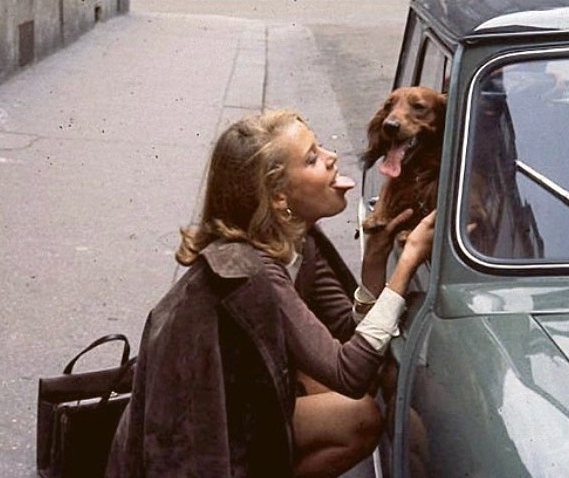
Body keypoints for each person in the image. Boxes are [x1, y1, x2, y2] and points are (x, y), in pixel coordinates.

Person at [105, 110, 436, 478]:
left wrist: (375, 262)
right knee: (359, 412)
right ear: (280, 199)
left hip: (251, 400)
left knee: (357, 405)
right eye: (312, 158)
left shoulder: (296, 242)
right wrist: (404, 268)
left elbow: (345, 330)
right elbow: (349, 371)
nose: (332, 157)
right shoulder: (253, 270)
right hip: (211, 436)